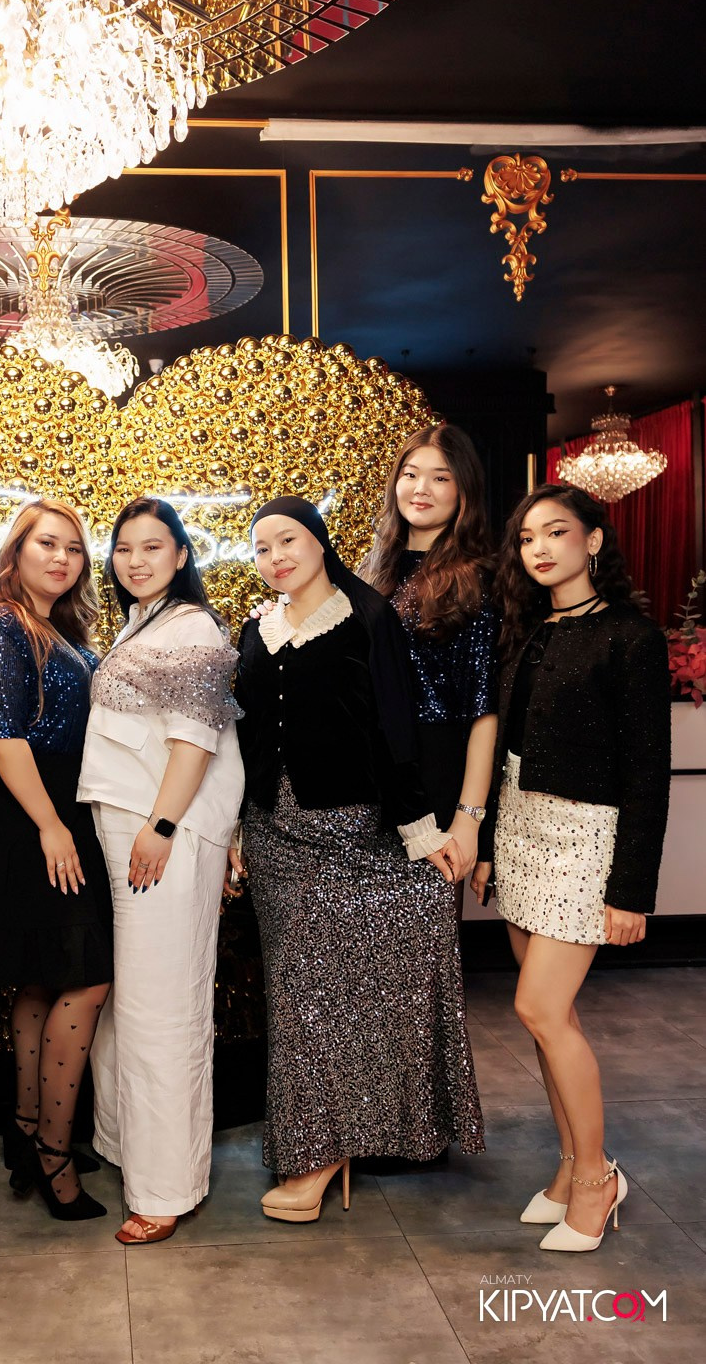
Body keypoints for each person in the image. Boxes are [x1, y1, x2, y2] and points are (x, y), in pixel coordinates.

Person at [235, 496, 484, 1224]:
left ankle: (328, 1150)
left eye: (287, 540)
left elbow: (393, 730)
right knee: (298, 1000)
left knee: (342, 998)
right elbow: (246, 738)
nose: (275, 557)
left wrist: (423, 832)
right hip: (273, 838)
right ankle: (319, 1147)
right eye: (261, 548)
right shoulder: (256, 628)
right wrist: (236, 829)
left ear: (320, 542)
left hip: (353, 834)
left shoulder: (367, 617)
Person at [471, 483, 670, 1251]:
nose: (539, 549)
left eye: (555, 532)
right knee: (548, 1019)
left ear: (592, 539)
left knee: (539, 1009)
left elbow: (647, 770)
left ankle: (596, 1179)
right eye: (526, 538)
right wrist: (489, 846)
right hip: (521, 827)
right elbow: (503, 748)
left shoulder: (630, 635)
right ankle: (566, 1166)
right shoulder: (527, 629)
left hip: (587, 836)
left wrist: (631, 891)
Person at [78, 497, 244, 1245]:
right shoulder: (142, 624)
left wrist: (163, 826)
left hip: (161, 835)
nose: (136, 560)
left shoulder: (192, 627)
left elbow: (196, 739)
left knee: (161, 1012)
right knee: (131, 1007)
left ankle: (165, 1188)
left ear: (181, 555)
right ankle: (127, 1149)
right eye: (124, 548)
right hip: (132, 827)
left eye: (153, 547)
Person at [0, 499, 113, 1222]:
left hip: (52, 811)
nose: (61, 558)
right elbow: (1, 736)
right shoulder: (3, 624)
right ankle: (53, 1153)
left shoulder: (54, 627)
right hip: (33, 816)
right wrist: (51, 826)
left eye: (73, 549)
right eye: (46, 543)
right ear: (14, 551)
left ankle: (26, 1132)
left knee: (43, 982)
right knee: (86, 979)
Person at [361, 424, 499, 884]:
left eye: (440, 477)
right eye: (411, 474)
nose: (421, 488)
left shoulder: (475, 578)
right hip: (369, 773)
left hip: (434, 770)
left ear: (464, 490)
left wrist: (469, 818)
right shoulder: (372, 569)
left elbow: (484, 710)